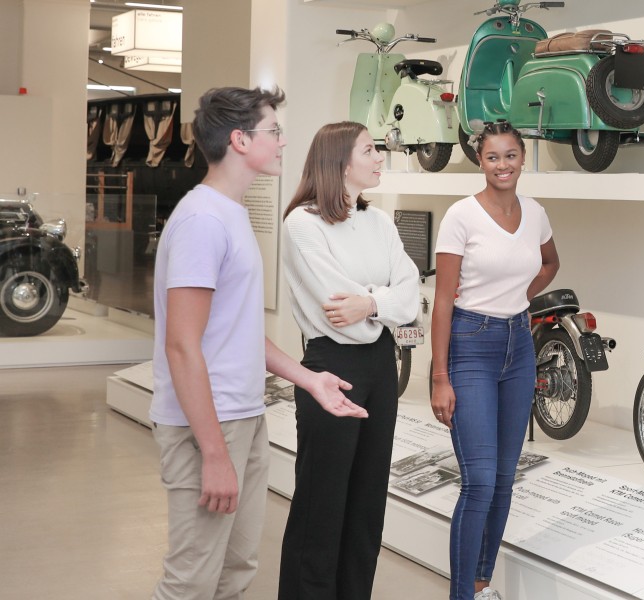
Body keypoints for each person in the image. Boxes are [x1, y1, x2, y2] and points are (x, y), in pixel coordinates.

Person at [149, 87, 367, 600]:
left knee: (236, 570)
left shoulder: (231, 213)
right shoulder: (203, 221)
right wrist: (214, 453)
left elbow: (238, 330)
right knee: (192, 580)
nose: (284, 141)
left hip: (241, 416)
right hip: (208, 425)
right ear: (240, 139)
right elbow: (182, 346)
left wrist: (309, 378)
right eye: (274, 131)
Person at [278, 121, 420, 600]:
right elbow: (339, 314)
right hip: (330, 365)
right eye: (370, 149)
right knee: (322, 505)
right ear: (339, 162)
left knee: (366, 507)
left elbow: (412, 297)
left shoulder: (379, 222)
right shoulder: (302, 223)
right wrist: (379, 306)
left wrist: (373, 305)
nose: (380, 156)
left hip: (380, 365)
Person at [430, 120, 560, 600]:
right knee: (479, 480)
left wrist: (516, 298)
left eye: (510, 155)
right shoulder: (461, 216)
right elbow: (443, 301)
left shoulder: (536, 213)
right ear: (479, 161)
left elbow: (550, 263)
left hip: (518, 346)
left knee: (505, 479)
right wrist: (439, 377)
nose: (502, 165)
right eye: (492, 157)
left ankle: (483, 584)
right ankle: (461, 594)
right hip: (470, 343)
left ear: (523, 158)